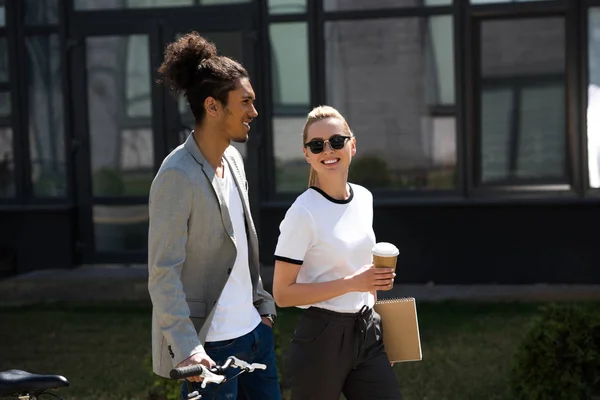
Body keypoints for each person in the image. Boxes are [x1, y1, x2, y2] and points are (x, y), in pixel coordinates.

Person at [148, 32, 280, 400]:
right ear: (212, 106)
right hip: (212, 350)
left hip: (256, 337)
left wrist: (263, 311)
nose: (254, 112)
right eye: (245, 102)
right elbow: (162, 275)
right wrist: (190, 349)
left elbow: (242, 244)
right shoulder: (177, 175)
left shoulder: (235, 161)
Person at [272, 105, 402, 399]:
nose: (327, 150)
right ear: (307, 155)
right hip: (322, 338)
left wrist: (382, 328)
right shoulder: (302, 213)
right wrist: (352, 284)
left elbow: (368, 275)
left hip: (368, 331)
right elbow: (282, 293)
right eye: (316, 145)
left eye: (336, 141)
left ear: (352, 145)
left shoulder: (364, 198)